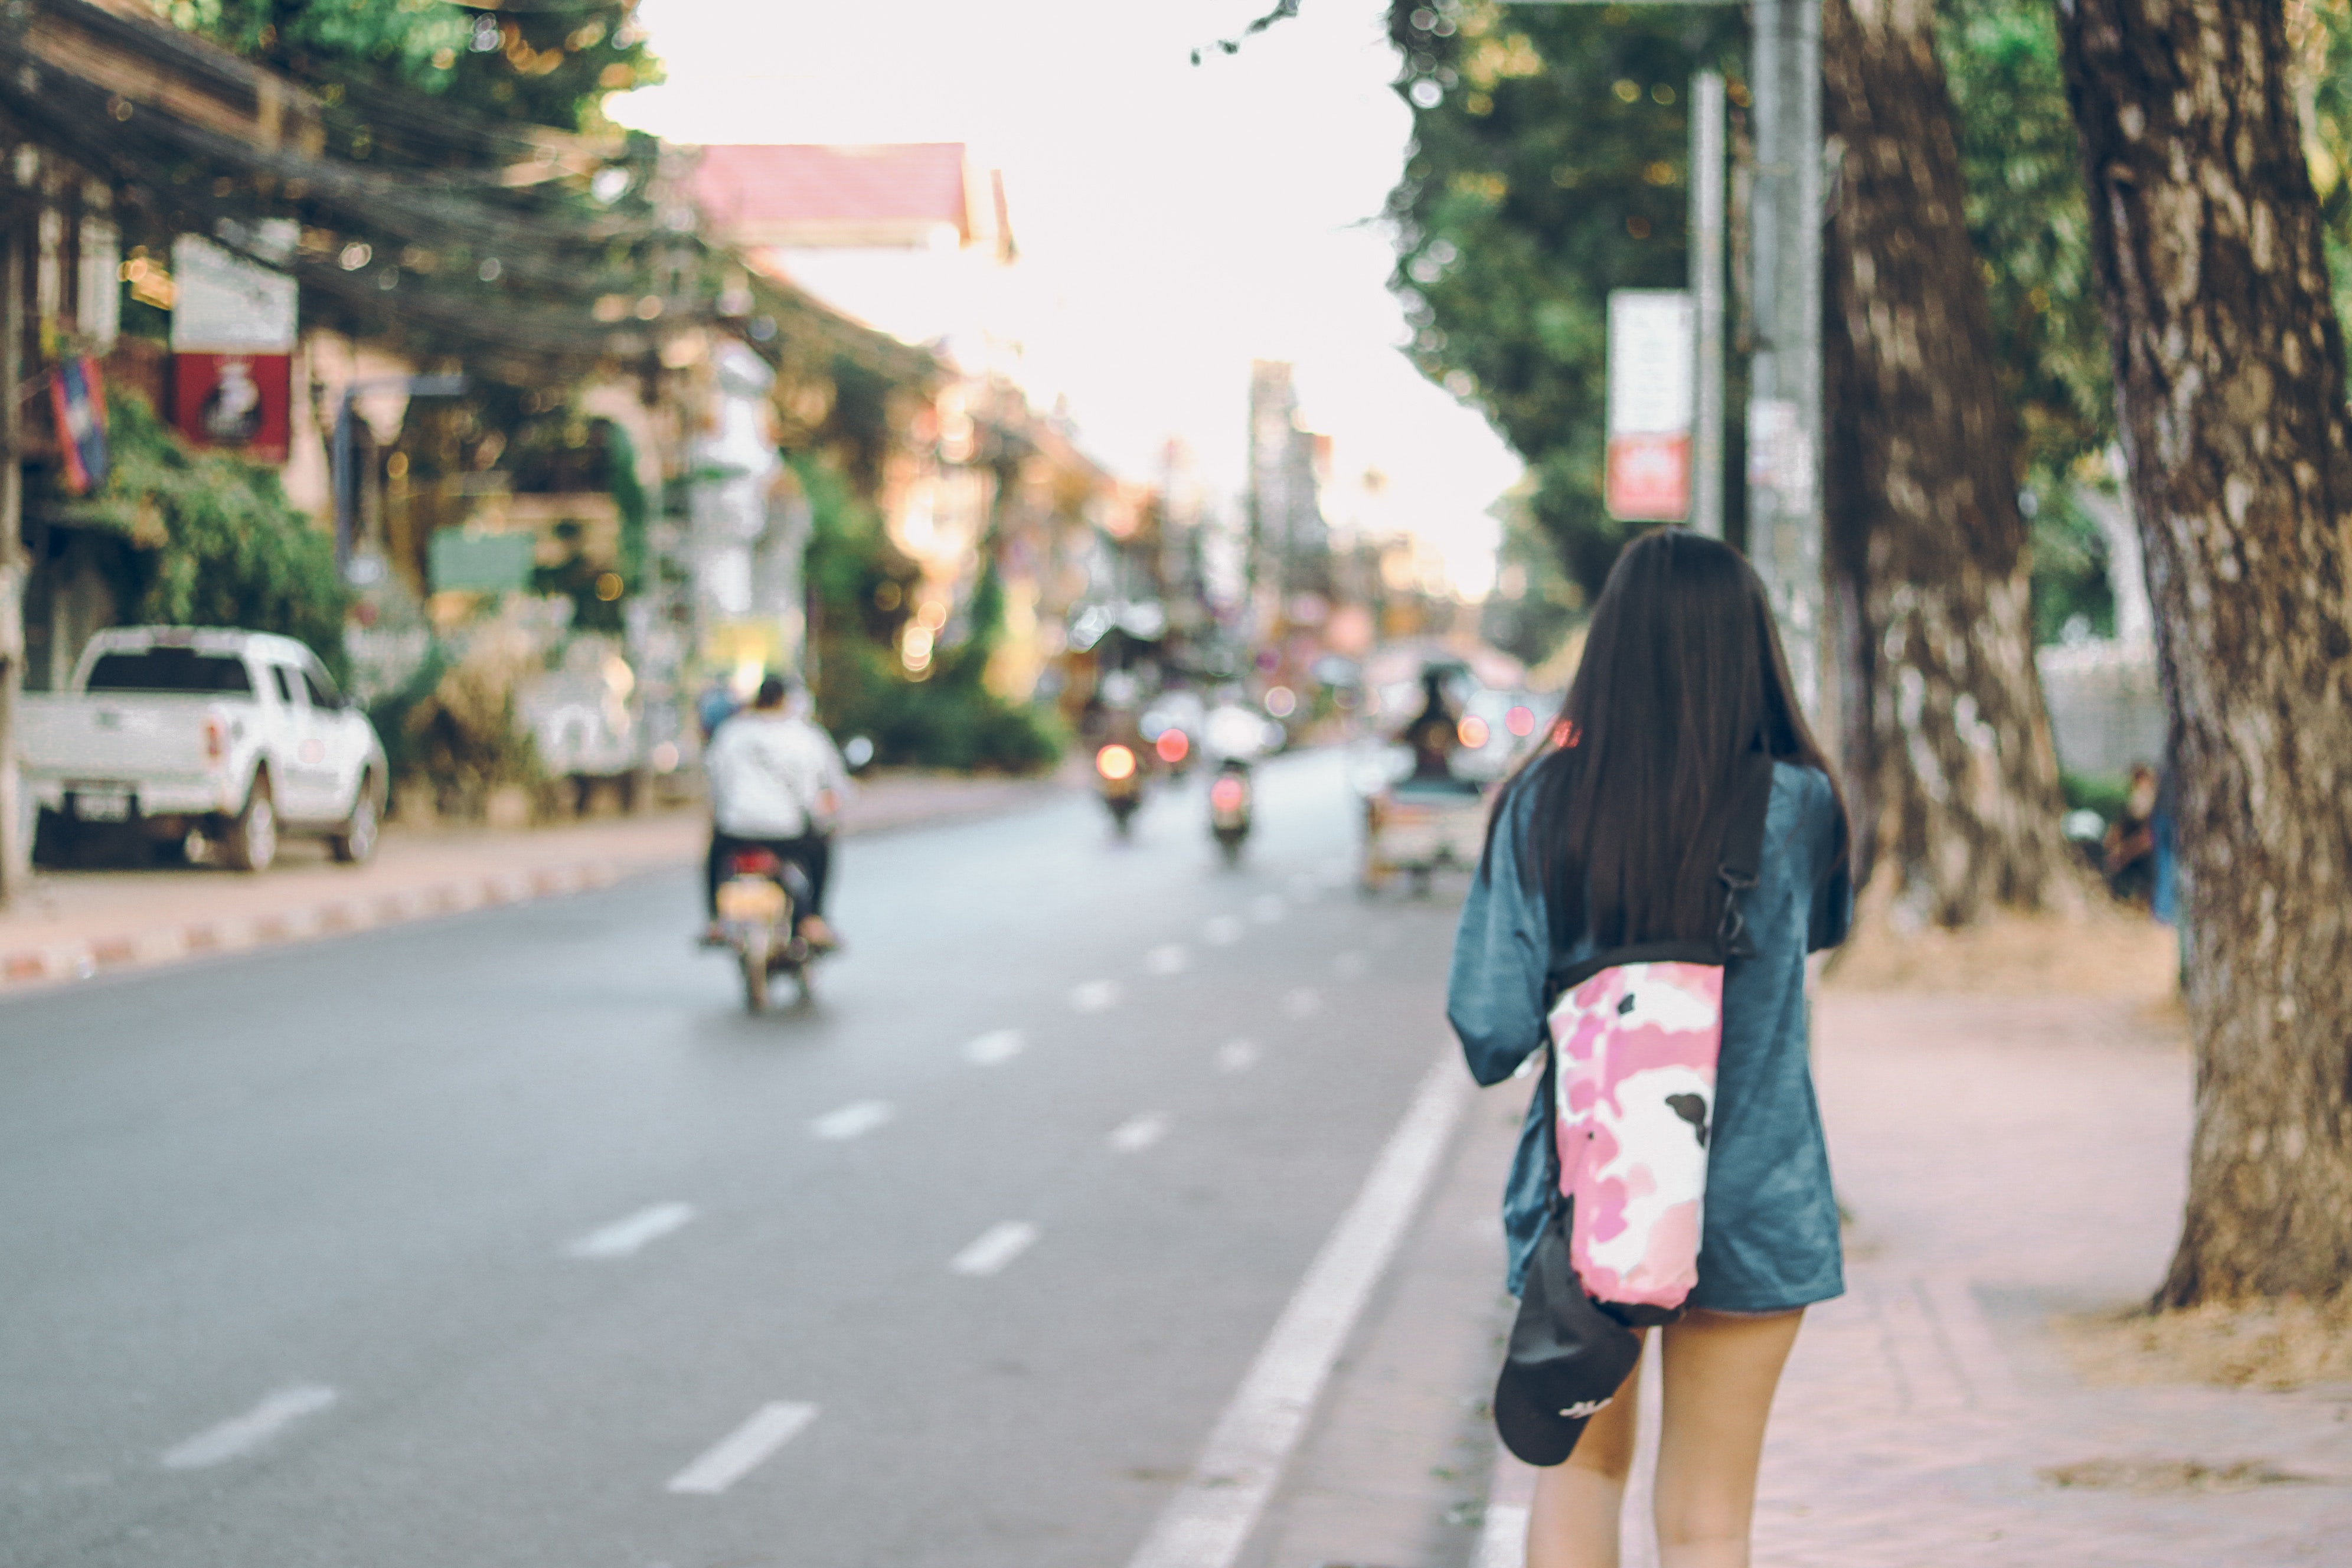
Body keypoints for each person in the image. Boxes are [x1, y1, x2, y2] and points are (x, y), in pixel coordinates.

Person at [1448, 528, 1851, 1568]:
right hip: (1757, 1202)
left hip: (1589, 1208)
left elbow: (1488, 1030)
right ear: (1747, 650)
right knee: (1711, 1520)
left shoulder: (1539, 804)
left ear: (1607, 648)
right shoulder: (1799, 807)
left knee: (1579, 1477)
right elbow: (1812, 941)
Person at [701, 675, 848, 950]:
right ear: (785, 700)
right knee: (822, 850)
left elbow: (715, 780)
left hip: (736, 831)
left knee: (713, 855)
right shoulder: (807, 736)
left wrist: (718, 814)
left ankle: (715, 919)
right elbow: (828, 788)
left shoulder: (731, 733)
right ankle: (813, 919)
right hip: (788, 832)